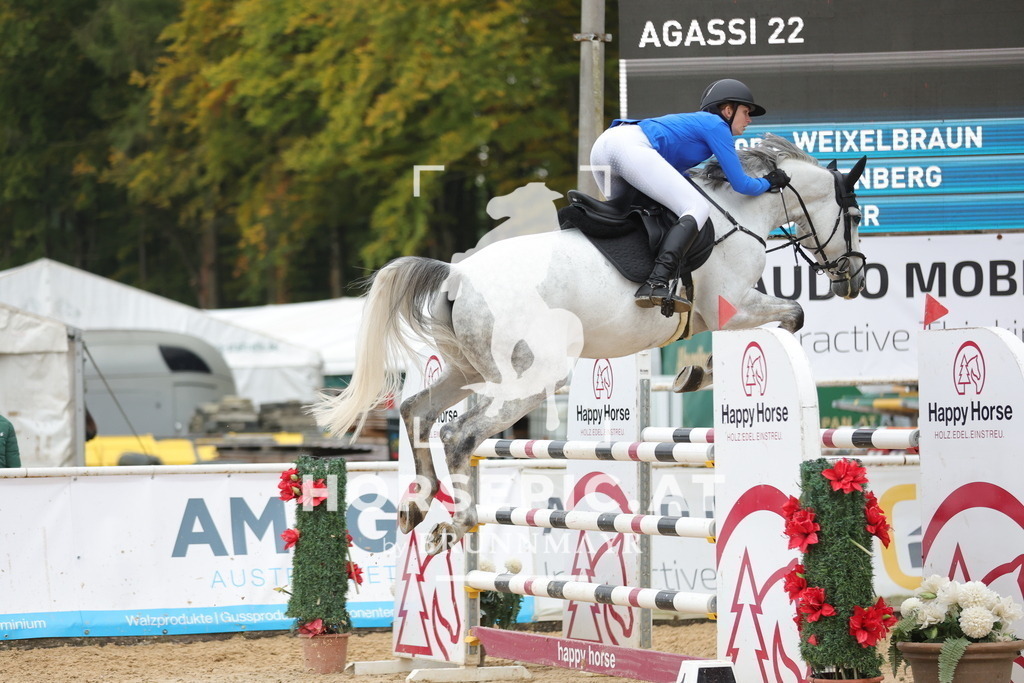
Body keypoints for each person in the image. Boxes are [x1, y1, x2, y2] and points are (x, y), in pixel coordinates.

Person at [589, 78, 790, 311]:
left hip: (605, 147)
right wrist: (769, 181)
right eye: (746, 112)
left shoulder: (699, 125)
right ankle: (657, 281)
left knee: (639, 215)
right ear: (727, 110)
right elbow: (742, 185)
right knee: (697, 208)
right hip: (628, 146)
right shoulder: (716, 125)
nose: (749, 119)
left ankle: (627, 277)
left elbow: (677, 176)